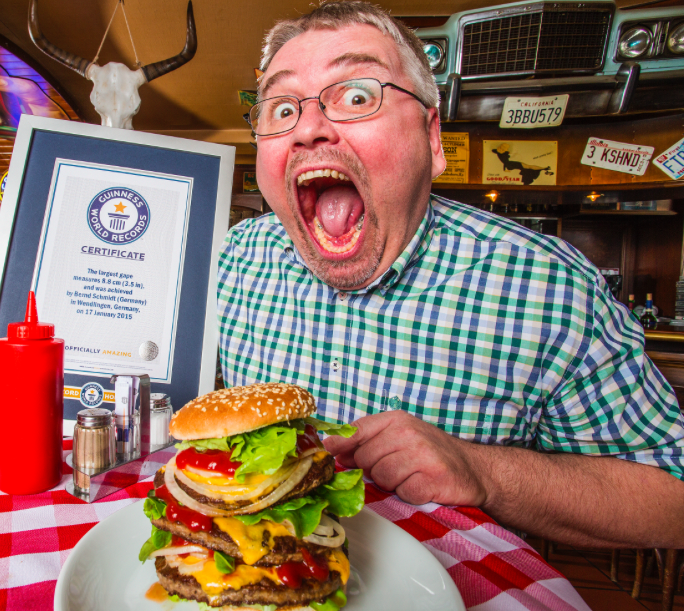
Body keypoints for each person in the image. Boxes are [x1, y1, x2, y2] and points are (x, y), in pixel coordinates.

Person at [215, 1, 684, 548]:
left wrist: (484, 472)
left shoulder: (549, 285)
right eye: (280, 109)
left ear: (432, 139)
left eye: (358, 96)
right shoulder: (232, 259)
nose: (309, 129)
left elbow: (671, 496)